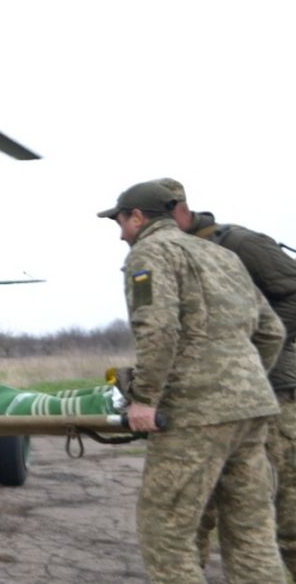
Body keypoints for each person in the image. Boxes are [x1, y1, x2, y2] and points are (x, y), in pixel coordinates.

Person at [98, 180, 287, 582]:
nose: (119, 233)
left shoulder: (149, 253)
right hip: (253, 410)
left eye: (120, 221)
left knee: (165, 534)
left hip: (195, 414)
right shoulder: (220, 255)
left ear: (138, 217)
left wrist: (145, 399)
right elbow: (272, 332)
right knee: (252, 532)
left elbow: (159, 329)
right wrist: (245, 382)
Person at [155, 177, 296, 575]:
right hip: (200, 403)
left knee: (284, 520)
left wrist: (240, 352)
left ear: (180, 211)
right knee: (192, 518)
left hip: (272, 395)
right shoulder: (169, 254)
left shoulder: (240, 244)